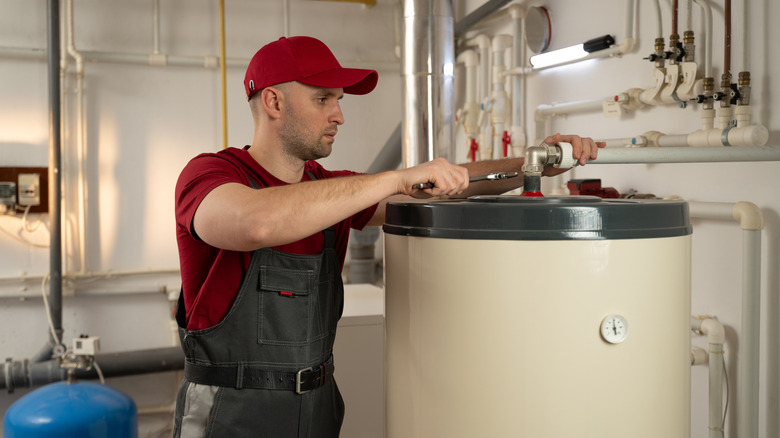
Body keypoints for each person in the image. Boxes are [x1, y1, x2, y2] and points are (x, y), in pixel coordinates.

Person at [173, 35, 603, 437]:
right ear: (273, 102)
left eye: (339, 101)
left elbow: (450, 186)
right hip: (232, 412)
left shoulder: (332, 191)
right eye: (323, 99)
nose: (338, 115)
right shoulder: (212, 174)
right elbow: (255, 223)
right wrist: (395, 177)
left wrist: (534, 165)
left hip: (318, 406)